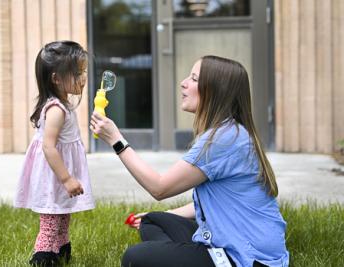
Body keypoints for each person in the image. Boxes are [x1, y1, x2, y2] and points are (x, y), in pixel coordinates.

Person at [90, 55, 289, 267]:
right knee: (152, 221)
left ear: (215, 91)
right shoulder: (227, 132)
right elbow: (212, 203)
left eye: (194, 79)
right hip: (226, 241)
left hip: (247, 259)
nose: (184, 83)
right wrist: (161, 215)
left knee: (135, 258)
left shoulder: (224, 140)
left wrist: (115, 140)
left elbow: (159, 188)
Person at [14, 41, 95, 266]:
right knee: (52, 217)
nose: (83, 77)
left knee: (62, 214)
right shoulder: (56, 110)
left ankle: (61, 248)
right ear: (56, 78)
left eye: (83, 71)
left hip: (58, 172)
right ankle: (44, 255)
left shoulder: (63, 105)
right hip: (55, 174)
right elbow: (48, 147)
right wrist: (67, 178)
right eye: (77, 72)